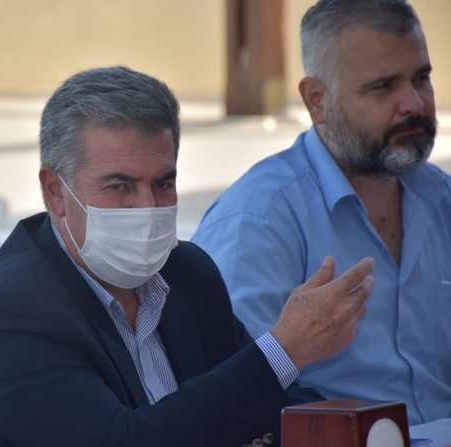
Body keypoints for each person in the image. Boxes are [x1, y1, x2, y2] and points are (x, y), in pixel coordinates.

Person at [0, 66, 374, 447]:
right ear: (55, 191)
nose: (147, 207)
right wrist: (285, 349)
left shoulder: (188, 273)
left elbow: (263, 406)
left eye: (163, 183)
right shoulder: (5, 319)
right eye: (119, 186)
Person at [192, 0, 450, 426]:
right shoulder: (258, 221)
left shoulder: (440, 199)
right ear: (317, 101)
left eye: (421, 78)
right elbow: (227, 400)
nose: (414, 103)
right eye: (383, 87)